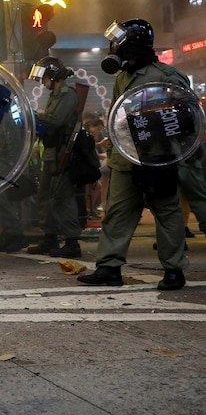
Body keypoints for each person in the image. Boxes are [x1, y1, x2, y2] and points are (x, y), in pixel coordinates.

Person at [78, 18, 189, 291]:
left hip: (158, 158)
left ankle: (174, 270)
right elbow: (118, 119)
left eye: (119, 42)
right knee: (117, 213)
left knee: (167, 213)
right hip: (127, 159)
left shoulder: (166, 75)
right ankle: (109, 267)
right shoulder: (123, 78)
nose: (114, 47)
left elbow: (188, 116)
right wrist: (116, 156)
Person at [25, 56, 83, 258]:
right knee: (45, 197)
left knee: (62, 198)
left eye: (44, 77)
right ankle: (50, 237)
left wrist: (32, 113)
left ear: (53, 74)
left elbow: (56, 120)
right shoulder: (56, 94)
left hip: (62, 153)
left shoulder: (67, 94)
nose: (42, 82)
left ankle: (72, 241)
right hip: (51, 153)